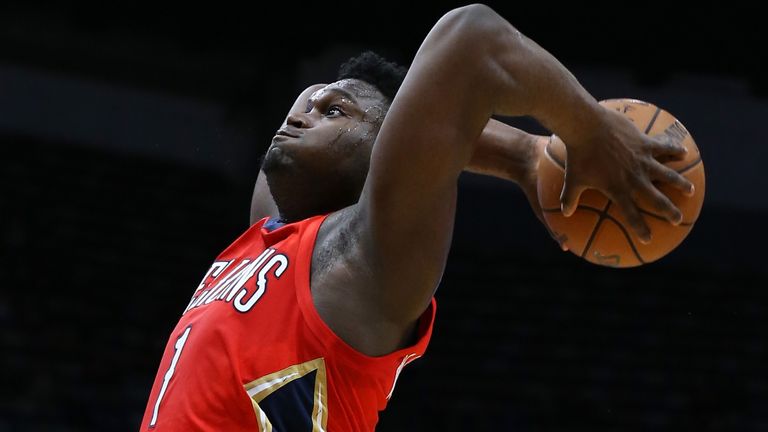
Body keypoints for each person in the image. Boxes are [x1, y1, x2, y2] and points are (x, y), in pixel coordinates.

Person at [140, 4, 694, 431]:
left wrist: (587, 131)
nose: (304, 113)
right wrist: (523, 155)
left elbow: (473, 39)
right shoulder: (270, 232)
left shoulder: (366, 261)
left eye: (334, 112)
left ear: (385, 155)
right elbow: (422, 118)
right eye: (303, 107)